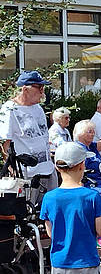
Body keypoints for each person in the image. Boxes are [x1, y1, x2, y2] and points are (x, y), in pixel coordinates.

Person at [40, 142, 101, 274]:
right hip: (85, 263)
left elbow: (51, 232)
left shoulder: (49, 198)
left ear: (57, 166)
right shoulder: (91, 196)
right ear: (82, 166)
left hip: (59, 263)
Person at [0, 71, 57, 205]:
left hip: (48, 169)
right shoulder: (10, 109)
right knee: (28, 214)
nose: (42, 92)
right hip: (28, 174)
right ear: (25, 89)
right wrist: (11, 168)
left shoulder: (38, 108)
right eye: (39, 88)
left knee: (52, 212)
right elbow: (4, 144)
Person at [73, 120, 101, 193]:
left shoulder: (91, 146)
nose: (93, 134)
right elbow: (78, 176)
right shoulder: (78, 149)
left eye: (93, 132)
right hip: (91, 188)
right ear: (80, 133)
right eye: (90, 132)